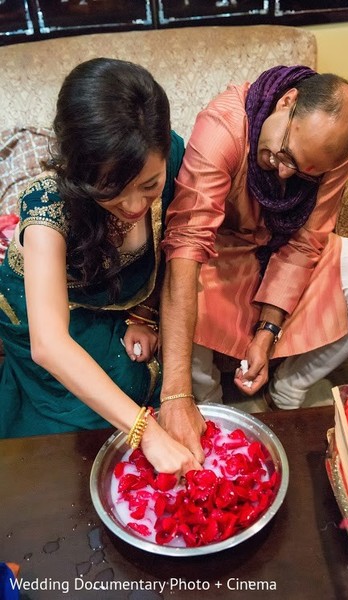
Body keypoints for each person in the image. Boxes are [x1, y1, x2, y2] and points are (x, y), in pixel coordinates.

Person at [158, 65, 348, 462]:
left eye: (304, 172)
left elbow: (307, 241)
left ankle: (291, 386)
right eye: (285, 155)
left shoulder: (333, 151)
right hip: (221, 247)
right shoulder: (224, 126)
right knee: (185, 287)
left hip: (285, 246)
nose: (285, 173)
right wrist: (175, 393)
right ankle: (210, 403)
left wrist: (267, 331)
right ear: (287, 103)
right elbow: (188, 241)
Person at [0, 58, 201, 477]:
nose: (133, 207)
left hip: (116, 302)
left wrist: (143, 314)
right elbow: (49, 344)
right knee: (101, 418)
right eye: (111, 191)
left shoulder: (173, 156)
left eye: (149, 187)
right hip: (47, 313)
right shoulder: (49, 208)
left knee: (139, 373)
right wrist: (147, 432)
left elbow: (177, 250)